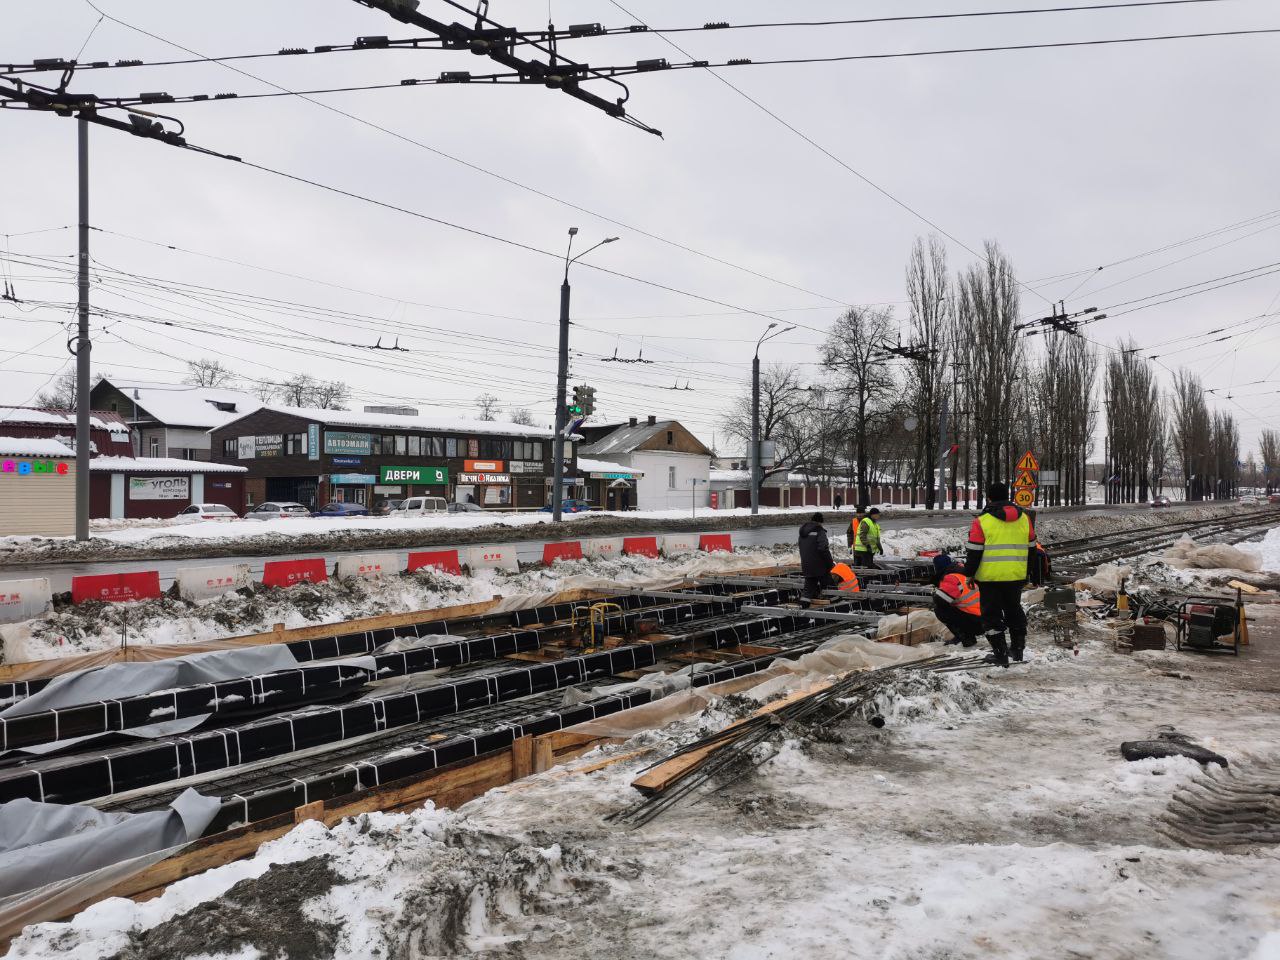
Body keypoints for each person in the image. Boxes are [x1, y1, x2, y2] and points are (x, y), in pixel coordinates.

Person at [963, 481, 1037, 666]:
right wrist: (1028, 573)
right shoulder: (1024, 519)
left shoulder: (982, 521)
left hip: (990, 578)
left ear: (989, 498)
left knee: (991, 616)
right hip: (1016, 576)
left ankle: (1000, 655)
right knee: (1014, 611)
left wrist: (969, 574)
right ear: (1009, 497)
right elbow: (1032, 549)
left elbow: (975, 552)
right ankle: (1018, 651)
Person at [931, 554, 980, 647]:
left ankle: (966, 637)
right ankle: (967, 635)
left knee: (940, 610)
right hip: (984, 616)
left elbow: (940, 600)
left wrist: (935, 592)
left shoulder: (951, 578)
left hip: (975, 619)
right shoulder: (962, 573)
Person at [798, 512, 836, 600]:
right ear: (820, 522)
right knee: (830, 587)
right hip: (820, 566)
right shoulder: (819, 531)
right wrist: (830, 564)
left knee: (808, 589)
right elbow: (823, 549)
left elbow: (801, 547)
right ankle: (835, 604)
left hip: (806, 565)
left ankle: (803, 605)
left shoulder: (803, 532)